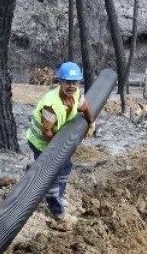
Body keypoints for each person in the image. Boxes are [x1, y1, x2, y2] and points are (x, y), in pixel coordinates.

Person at [26, 61, 95, 227]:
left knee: (65, 167)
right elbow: (47, 132)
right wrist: (61, 148)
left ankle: (59, 197)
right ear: (60, 82)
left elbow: (85, 108)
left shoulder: (76, 94)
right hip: (41, 142)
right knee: (52, 176)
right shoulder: (51, 105)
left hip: (55, 137)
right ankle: (57, 211)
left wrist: (91, 123)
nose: (71, 86)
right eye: (68, 82)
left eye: (75, 82)